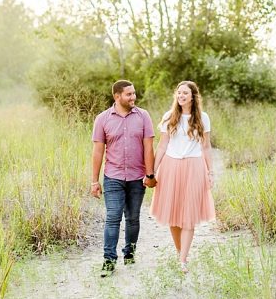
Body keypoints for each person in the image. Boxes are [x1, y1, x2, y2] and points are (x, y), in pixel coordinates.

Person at [91, 80, 156, 277]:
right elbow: (97, 152)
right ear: (117, 96)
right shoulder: (102, 119)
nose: (133, 97)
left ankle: (130, 252)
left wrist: (150, 174)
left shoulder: (143, 116)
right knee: (113, 218)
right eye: (129, 94)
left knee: (133, 218)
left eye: (134, 93)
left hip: (137, 177)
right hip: (113, 177)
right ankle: (109, 260)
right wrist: (94, 181)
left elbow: (149, 147)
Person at [149, 80, 216, 272]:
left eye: (185, 93)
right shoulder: (169, 117)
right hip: (171, 166)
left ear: (193, 96)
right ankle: (180, 253)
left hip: (194, 167)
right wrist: (152, 171)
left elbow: (206, 146)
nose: (181, 96)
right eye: (179, 93)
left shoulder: (203, 118)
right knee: (173, 215)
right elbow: (162, 146)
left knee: (189, 215)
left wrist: (210, 172)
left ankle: (183, 260)